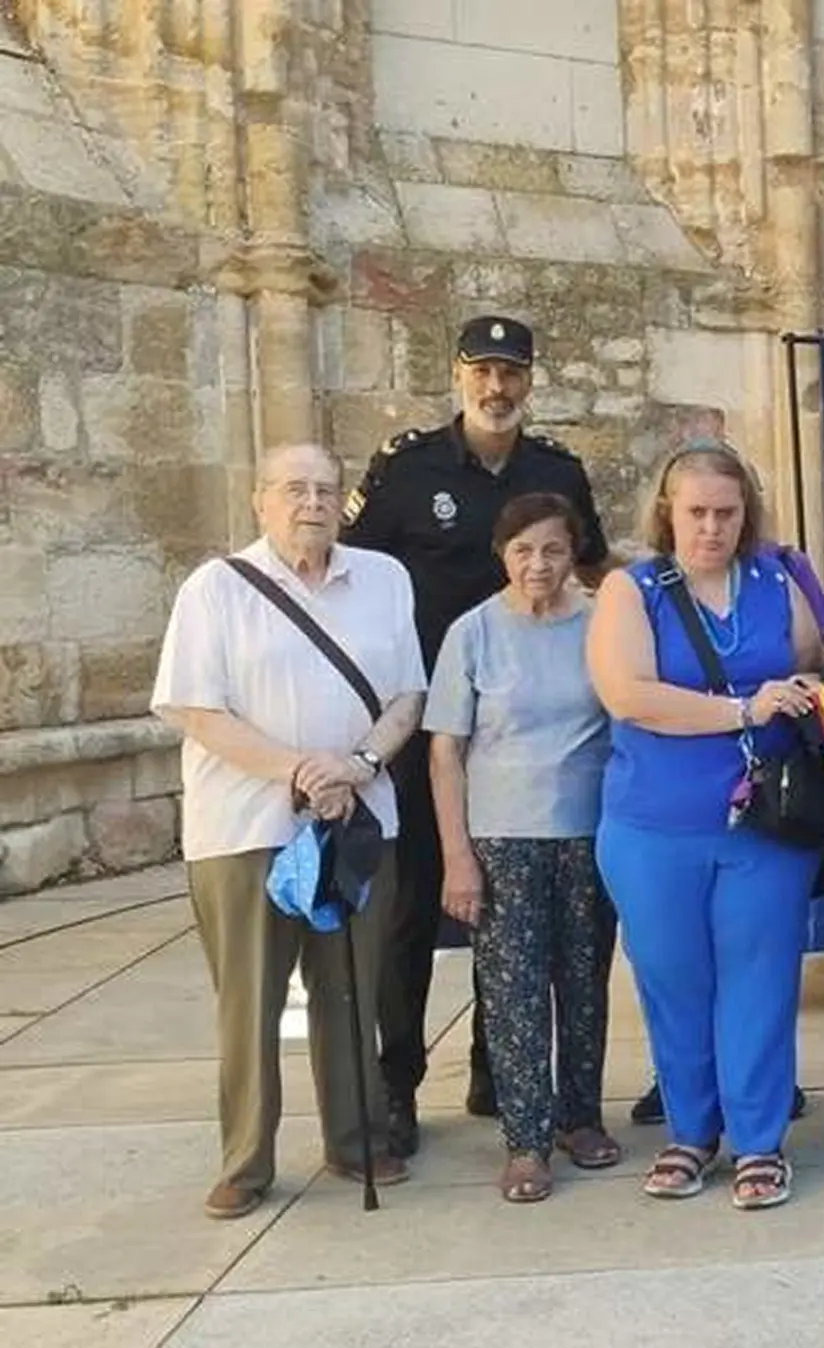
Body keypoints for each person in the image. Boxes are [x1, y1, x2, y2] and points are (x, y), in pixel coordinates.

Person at [342, 315, 609, 1154]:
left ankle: (502, 1071)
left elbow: (595, 570)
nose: (498, 389)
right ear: (456, 375)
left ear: (531, 380)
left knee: (517, 917)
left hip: (532, 732)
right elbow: (355, 578)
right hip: (429, 723)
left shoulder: (556, 471)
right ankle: (397, 1088)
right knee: (415, 908)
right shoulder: (406, 469)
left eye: (512, 374)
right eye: (482, 372)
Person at [152, 443, 428, 1218]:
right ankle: (245, 1158)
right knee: (252, 997)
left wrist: (358, 764)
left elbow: (408, 693)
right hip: (245, 828)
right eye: (294, 488)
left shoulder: (383, 579)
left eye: (326, 490)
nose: (312, 502)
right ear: (261, 501)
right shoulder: (215, 589)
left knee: (351, 985)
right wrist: (299, 770)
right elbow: (196, 711)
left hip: (358, 815)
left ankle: (358, 1135)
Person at [586, 440, 824, 1210]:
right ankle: (691, 1130)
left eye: (727, 512)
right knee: (673, 977)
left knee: (760, 977)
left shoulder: (777, 579)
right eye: (696, 512)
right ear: (667, 512)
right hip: (655, 823)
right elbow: (629, 694)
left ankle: (758, 1141)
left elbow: (810, 664)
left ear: (746, 514)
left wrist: (800, 693)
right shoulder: (632, 590)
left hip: (761, 820)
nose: (712, 527)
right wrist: (743, 709)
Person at [423, 492, 620, 1202]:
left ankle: (580, 1117)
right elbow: (445, 752)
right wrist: (457, 856)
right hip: (503, 840)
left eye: (553, 549)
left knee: (585, 984)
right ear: (503, 555)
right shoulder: (472, 632)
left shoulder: (603, 621)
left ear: (574, 553)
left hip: (589, 832)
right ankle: (526, 1139)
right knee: (513, 996)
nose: (538, 564)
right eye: (523, 550)